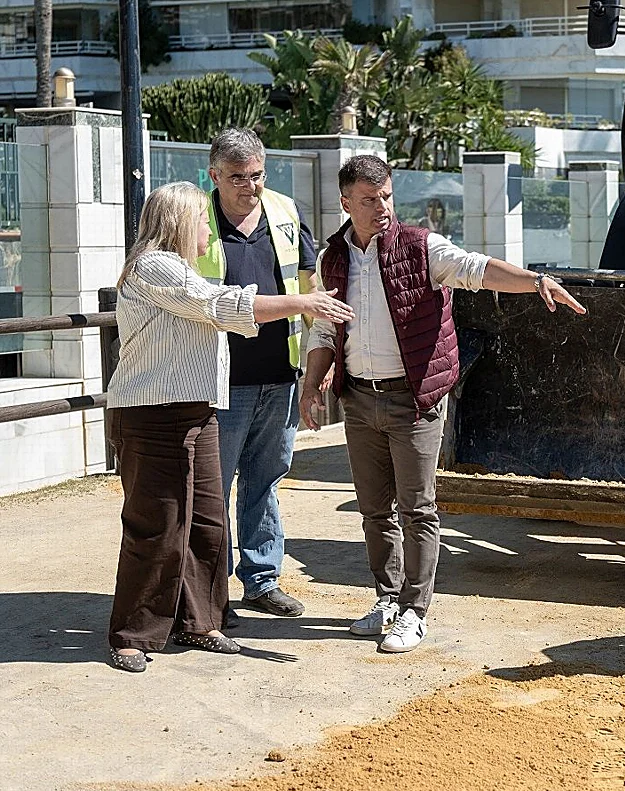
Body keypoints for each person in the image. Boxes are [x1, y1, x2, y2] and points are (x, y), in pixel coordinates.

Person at [301, 155, 586, 654]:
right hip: (359, 399)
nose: (382, 206)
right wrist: (311, 384)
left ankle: (414, 611)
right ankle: (386, 600)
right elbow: (326, 325)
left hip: (413, 400)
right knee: (374, 510)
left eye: (387, 195)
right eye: (369, 200)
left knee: (418, 509)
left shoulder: (422, 247)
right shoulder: (334, 258)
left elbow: (476, 269)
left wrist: (535, 280)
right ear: (346, 202)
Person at [104, 182, 354, 673]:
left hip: (197, 410)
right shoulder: (155, 267)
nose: (208, 228)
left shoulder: (181, 269)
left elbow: (218, 305)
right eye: (201, 219)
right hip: (153, 414)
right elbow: (220, 305)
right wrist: (301, 304)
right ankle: (133, 633)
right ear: (179, 223)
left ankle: (199, 621)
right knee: (156, 526)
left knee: (205, 524)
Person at [198, 129, 319, 622]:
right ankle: (210, 591)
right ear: (213, 175)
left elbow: (311, 285)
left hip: (279, 374)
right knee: (214, 485)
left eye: (257, 175)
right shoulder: (194, 219)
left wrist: (319, 359)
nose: (250, 187)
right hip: (219, 377)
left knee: (265, 480)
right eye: (237, 177)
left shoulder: (285, 212)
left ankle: (262, 581)